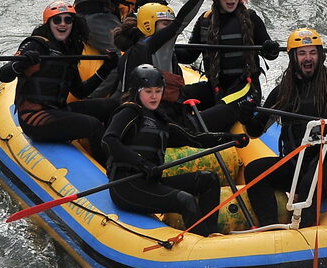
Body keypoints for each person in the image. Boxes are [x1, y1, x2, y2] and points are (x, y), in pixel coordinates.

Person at [243, 26, 327, 228]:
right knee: (254, 170)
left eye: (313, 53)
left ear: (320, 56)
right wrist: (245, 115)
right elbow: (255, 131)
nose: (308, 58)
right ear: (293, 57)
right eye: (302, 53)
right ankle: (268, 226)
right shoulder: (281, 93)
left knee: (308, 184)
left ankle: (306, 232)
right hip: (297, 164)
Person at [103, 65, 246, 236]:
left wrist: (230, 139)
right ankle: (201, 243)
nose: (154, 96)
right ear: (137, 91)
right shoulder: (129, 112)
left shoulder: (160, 120)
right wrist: (141, 163)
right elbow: (109, 140)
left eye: (158, 91)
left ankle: (210, 233)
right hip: (127, 186)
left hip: (151, 182)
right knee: (186, 201)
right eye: (148, 91)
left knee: (208, 179)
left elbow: (195, 138)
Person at [0, 1, 120, 150]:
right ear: (48, 23)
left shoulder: (69, 51)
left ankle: (116, 150)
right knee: (93, 125)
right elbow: (4, 75)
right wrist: (20, 64)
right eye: (57, 20)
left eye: (68, 20)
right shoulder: (35, 45)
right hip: (34, 118)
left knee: (114, 106)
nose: (62, 24)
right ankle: (109, 168)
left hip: (59, 110)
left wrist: (106, 68)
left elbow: (80, 92)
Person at [186, 0, 279, 132]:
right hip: (215, 87)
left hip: (245, 91)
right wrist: (163, 43)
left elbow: (270, 53)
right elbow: (188, 55)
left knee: (197, 123)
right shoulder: (205, 21)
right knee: (176, 96)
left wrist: (270, 48)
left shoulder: (251, 19)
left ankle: (189, 129)